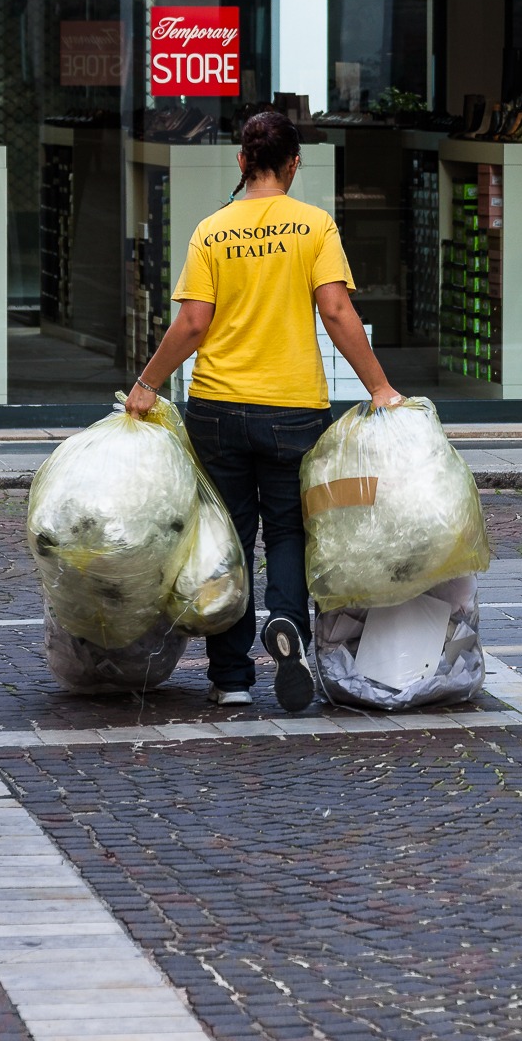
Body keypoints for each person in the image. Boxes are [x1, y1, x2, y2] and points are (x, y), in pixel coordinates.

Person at [125, 111, 402, 711]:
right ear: (293, 163)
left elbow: (193, 323)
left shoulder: (212, 230)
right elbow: (335, 312)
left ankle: (230, 679)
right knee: (286, 530)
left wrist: (147, 383)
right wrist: (380, 387)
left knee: (227, 538)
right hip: (292, 408)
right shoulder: (313, 227)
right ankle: (288, 625)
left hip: (217, 407)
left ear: (242, 163)